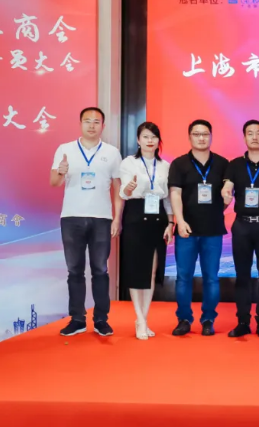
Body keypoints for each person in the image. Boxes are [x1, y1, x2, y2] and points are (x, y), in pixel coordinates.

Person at [50, 107, 123, 337]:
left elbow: (118, 188)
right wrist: (61, 172)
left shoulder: (112, 152)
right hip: (71, 217)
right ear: (80, 123)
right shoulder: (65, 149)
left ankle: (101, 319)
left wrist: (117, 218)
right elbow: (54, 182)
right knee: (74, 270)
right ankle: (77, 319)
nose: (92, 125)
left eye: (96, 121)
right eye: (87, 121)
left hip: (102, 218)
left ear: (103, 126)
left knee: (100, 270)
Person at [221, 120, 259, 338]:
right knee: (242, 275)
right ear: (244, 138)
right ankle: (242, 321)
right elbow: (228, 186)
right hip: (242, 225)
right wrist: (226, 192)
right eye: (250, 133)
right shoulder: (235, 164)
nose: (255, 137)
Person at [168, 119, 230, 336]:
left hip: (213, 230)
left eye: (205, 134)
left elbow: (227, 195)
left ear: (211, 136)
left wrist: (220, 206)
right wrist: (180, 221)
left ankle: (208, 319)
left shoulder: (222, 163)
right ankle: (184, 319)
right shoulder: (179, 164)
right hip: (187, 230)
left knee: (211, 277)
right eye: (197, 134)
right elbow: (175, 194)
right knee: (183, 277)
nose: (201, 138)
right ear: (189, 137)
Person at [118, 122, 175, 340]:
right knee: (136, 269)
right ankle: (139, 319)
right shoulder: (128, 162)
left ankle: (144, 318)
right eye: (145, 136)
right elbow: (123, 193)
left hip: (158, 216)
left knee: (151, 270)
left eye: (154, 137)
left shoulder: (165, 165)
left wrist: (170, 223)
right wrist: (128, 188)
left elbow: (168, 198)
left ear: (158, 141)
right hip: (135, 214)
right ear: (138, 140)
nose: (150, 141)